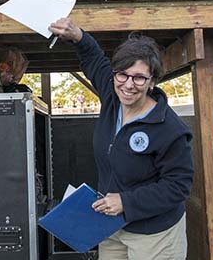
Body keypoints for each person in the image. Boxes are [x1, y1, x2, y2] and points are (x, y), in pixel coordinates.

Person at [48, 17, 193, 259]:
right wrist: (78, 35)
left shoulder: (169, 128)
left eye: (139, 77)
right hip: (112, 225)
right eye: (122, 75)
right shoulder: (112, 97)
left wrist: (126, 201)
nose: (128, 84)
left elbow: (178, 186)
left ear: (152, 81)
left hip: (154, 233)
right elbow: (95, 59)